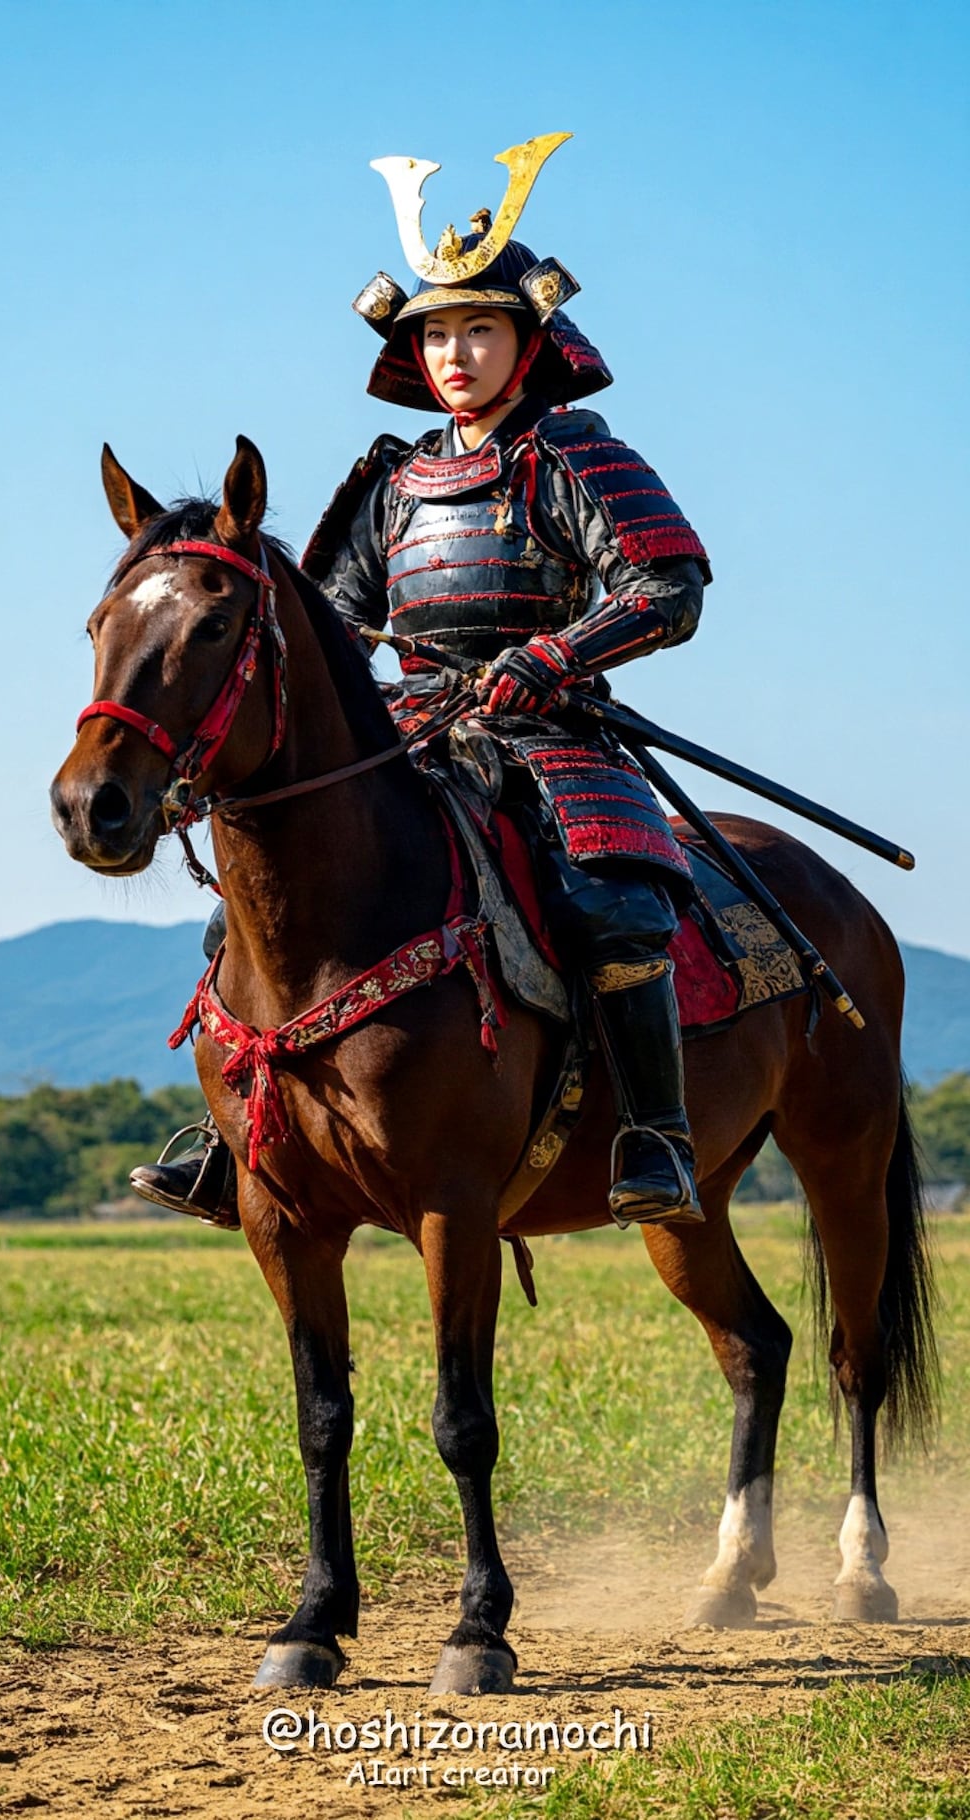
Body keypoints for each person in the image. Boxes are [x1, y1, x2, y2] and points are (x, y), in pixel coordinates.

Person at [130, 134, 711, 1231]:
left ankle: (653, 1135)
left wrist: (550, 655)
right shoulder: (390, 480)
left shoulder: (575, 454)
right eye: (436, 332)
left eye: (477, 328)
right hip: (411, 729)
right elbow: (332, 620)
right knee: (249, 916)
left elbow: (666, 586)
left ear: (526, 340)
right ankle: (229, 1134)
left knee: (610, 903)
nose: (454, 351)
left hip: (554, 730)